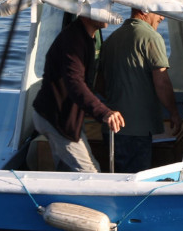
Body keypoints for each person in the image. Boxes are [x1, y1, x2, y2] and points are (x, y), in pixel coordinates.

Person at [31, 12, 124, 173]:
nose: (108, 14)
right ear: (87, 13)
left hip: (63, 117)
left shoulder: (86, 37)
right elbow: (74, 82)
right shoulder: (73, 40)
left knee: (66, 171)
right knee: (90, 174)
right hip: (57, 119)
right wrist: (103, 112)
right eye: (103, 9)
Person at [98, 8, 181, 175]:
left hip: (112, 129)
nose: (162, 17)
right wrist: (174, 113)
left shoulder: (111, 39)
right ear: (144, 10)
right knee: (136, 181)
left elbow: (99, 84)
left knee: (118, 178)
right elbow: (162, 82)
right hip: (137, 130)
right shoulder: (151, 37)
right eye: (158, 11)